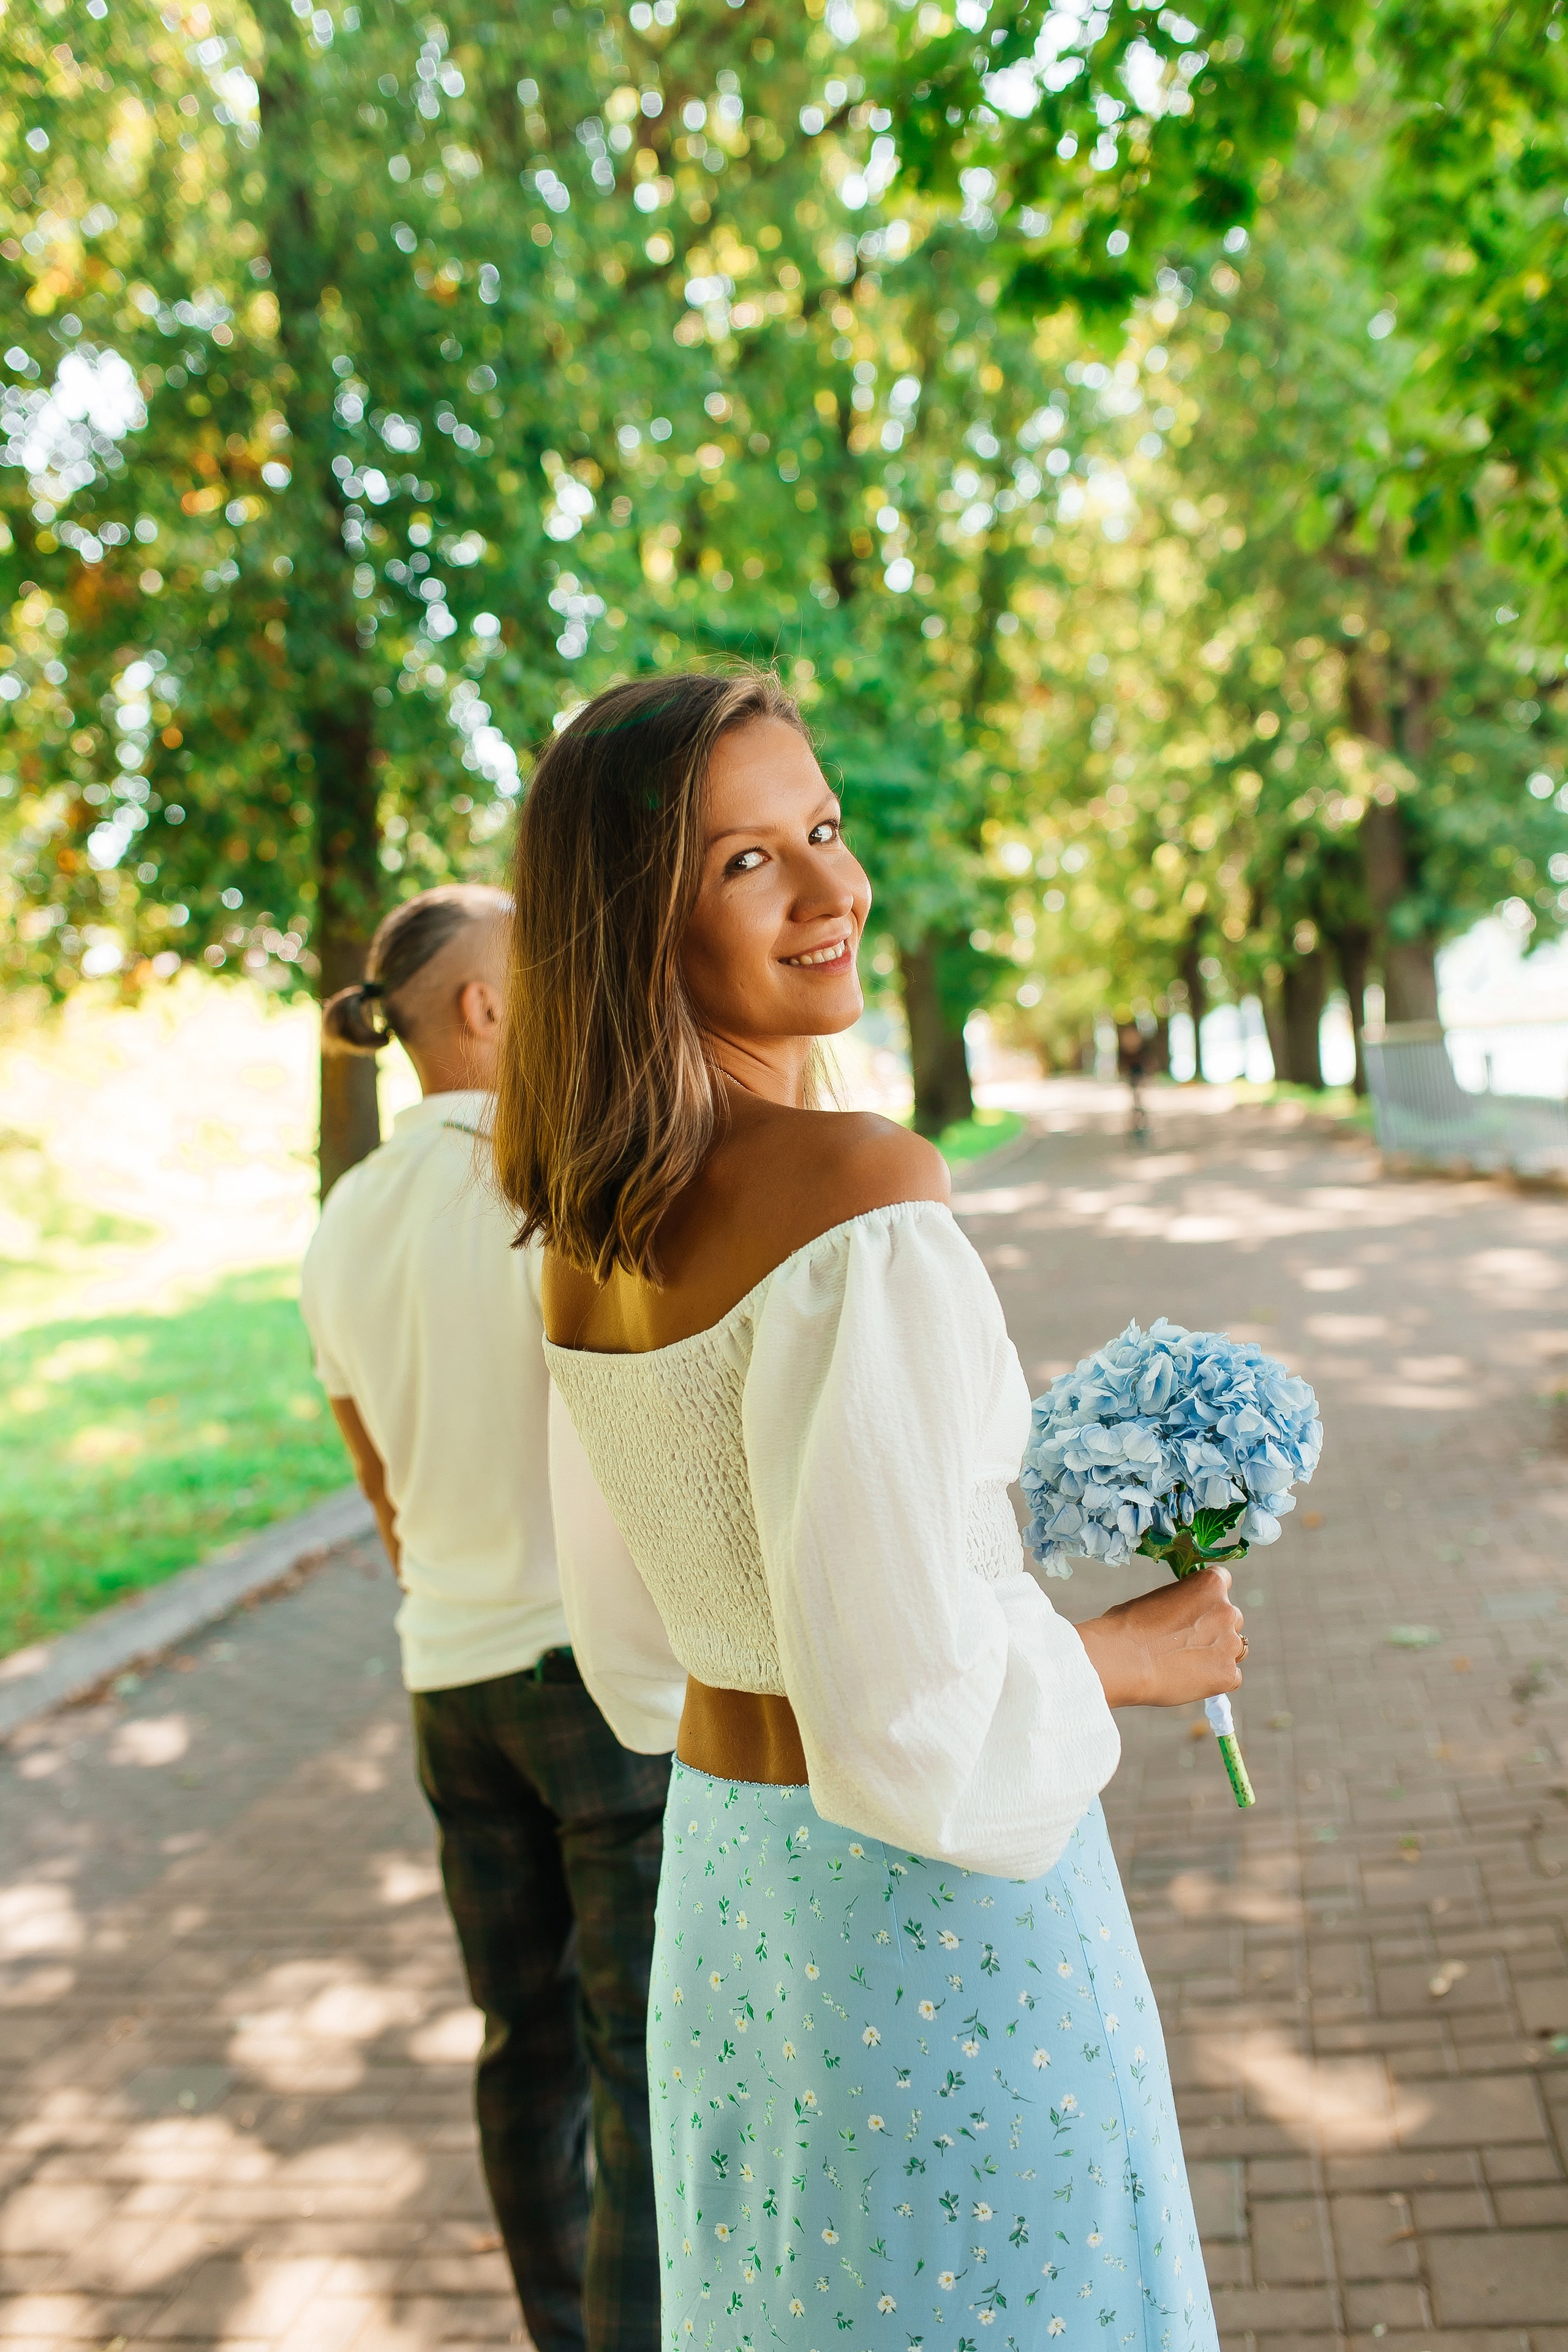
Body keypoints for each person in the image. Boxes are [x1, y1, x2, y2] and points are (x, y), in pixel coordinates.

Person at [490, 672, 1243, 2351]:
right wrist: (1138, 1653)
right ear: (633, 924)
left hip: (738, 1905)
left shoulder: (585, 1240)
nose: (835, 892)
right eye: (748, 862)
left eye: (821, 831)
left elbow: (634, 1654)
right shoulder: (860, 1198)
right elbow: (912, 1725)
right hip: (934, 1943)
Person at [298, 883, 676, 2352]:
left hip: (446, 1684)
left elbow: (379, 1496)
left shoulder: (342, 1222)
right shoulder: (556, 1180)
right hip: (591, 1679)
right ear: (482, 1008)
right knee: (640, 2060)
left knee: (523, 2052)